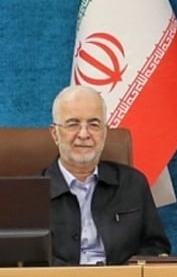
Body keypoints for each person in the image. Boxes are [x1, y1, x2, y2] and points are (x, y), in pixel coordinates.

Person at [46, 85, 170, 265]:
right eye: (73, 124)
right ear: (55, 134)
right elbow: (27, 259)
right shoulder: (31, 194)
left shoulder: (132, 183)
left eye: (94, 125)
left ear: (104, 133)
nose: (84, 134)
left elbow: (155, 247)